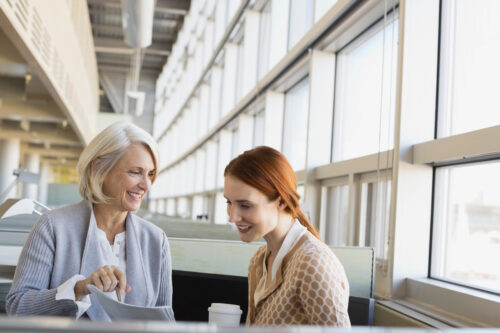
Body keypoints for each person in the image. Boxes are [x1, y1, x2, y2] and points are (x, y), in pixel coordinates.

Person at [6, 122, 172, 321]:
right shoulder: (53, 226)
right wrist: (78, 289)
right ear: (99, 169)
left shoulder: (156, 239)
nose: (146, 184)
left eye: (150, 174)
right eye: (135, 172)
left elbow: (166, 322)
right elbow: (18, 306)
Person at [224, 146, 351, 326]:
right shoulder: (259, 261)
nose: (232, 216)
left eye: (245, 205)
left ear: (281, 201)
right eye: (229, 202)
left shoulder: (313, 264)